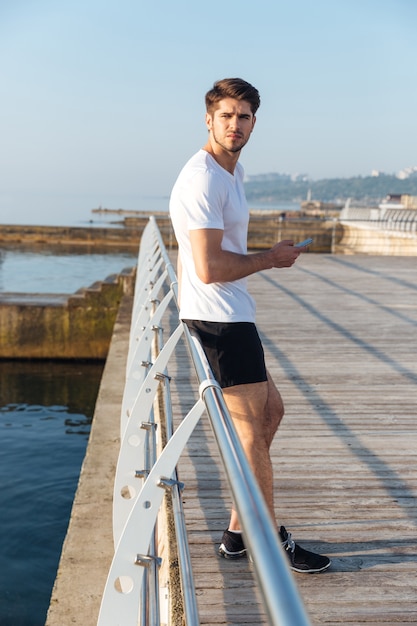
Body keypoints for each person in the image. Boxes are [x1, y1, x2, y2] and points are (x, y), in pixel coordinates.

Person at [169, 78, 330, 573]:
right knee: (251, 434)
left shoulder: (231, 173)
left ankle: (238, 531)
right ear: (208, 119)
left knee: (270, 414)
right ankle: (268, 540)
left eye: (244, 117)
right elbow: (210, 268)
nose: (234, 125)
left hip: (233, 316)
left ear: (254, 122)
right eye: (226, 116)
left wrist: (266, 256)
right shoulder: (204, 178)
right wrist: (272, 259)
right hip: (219, 322)